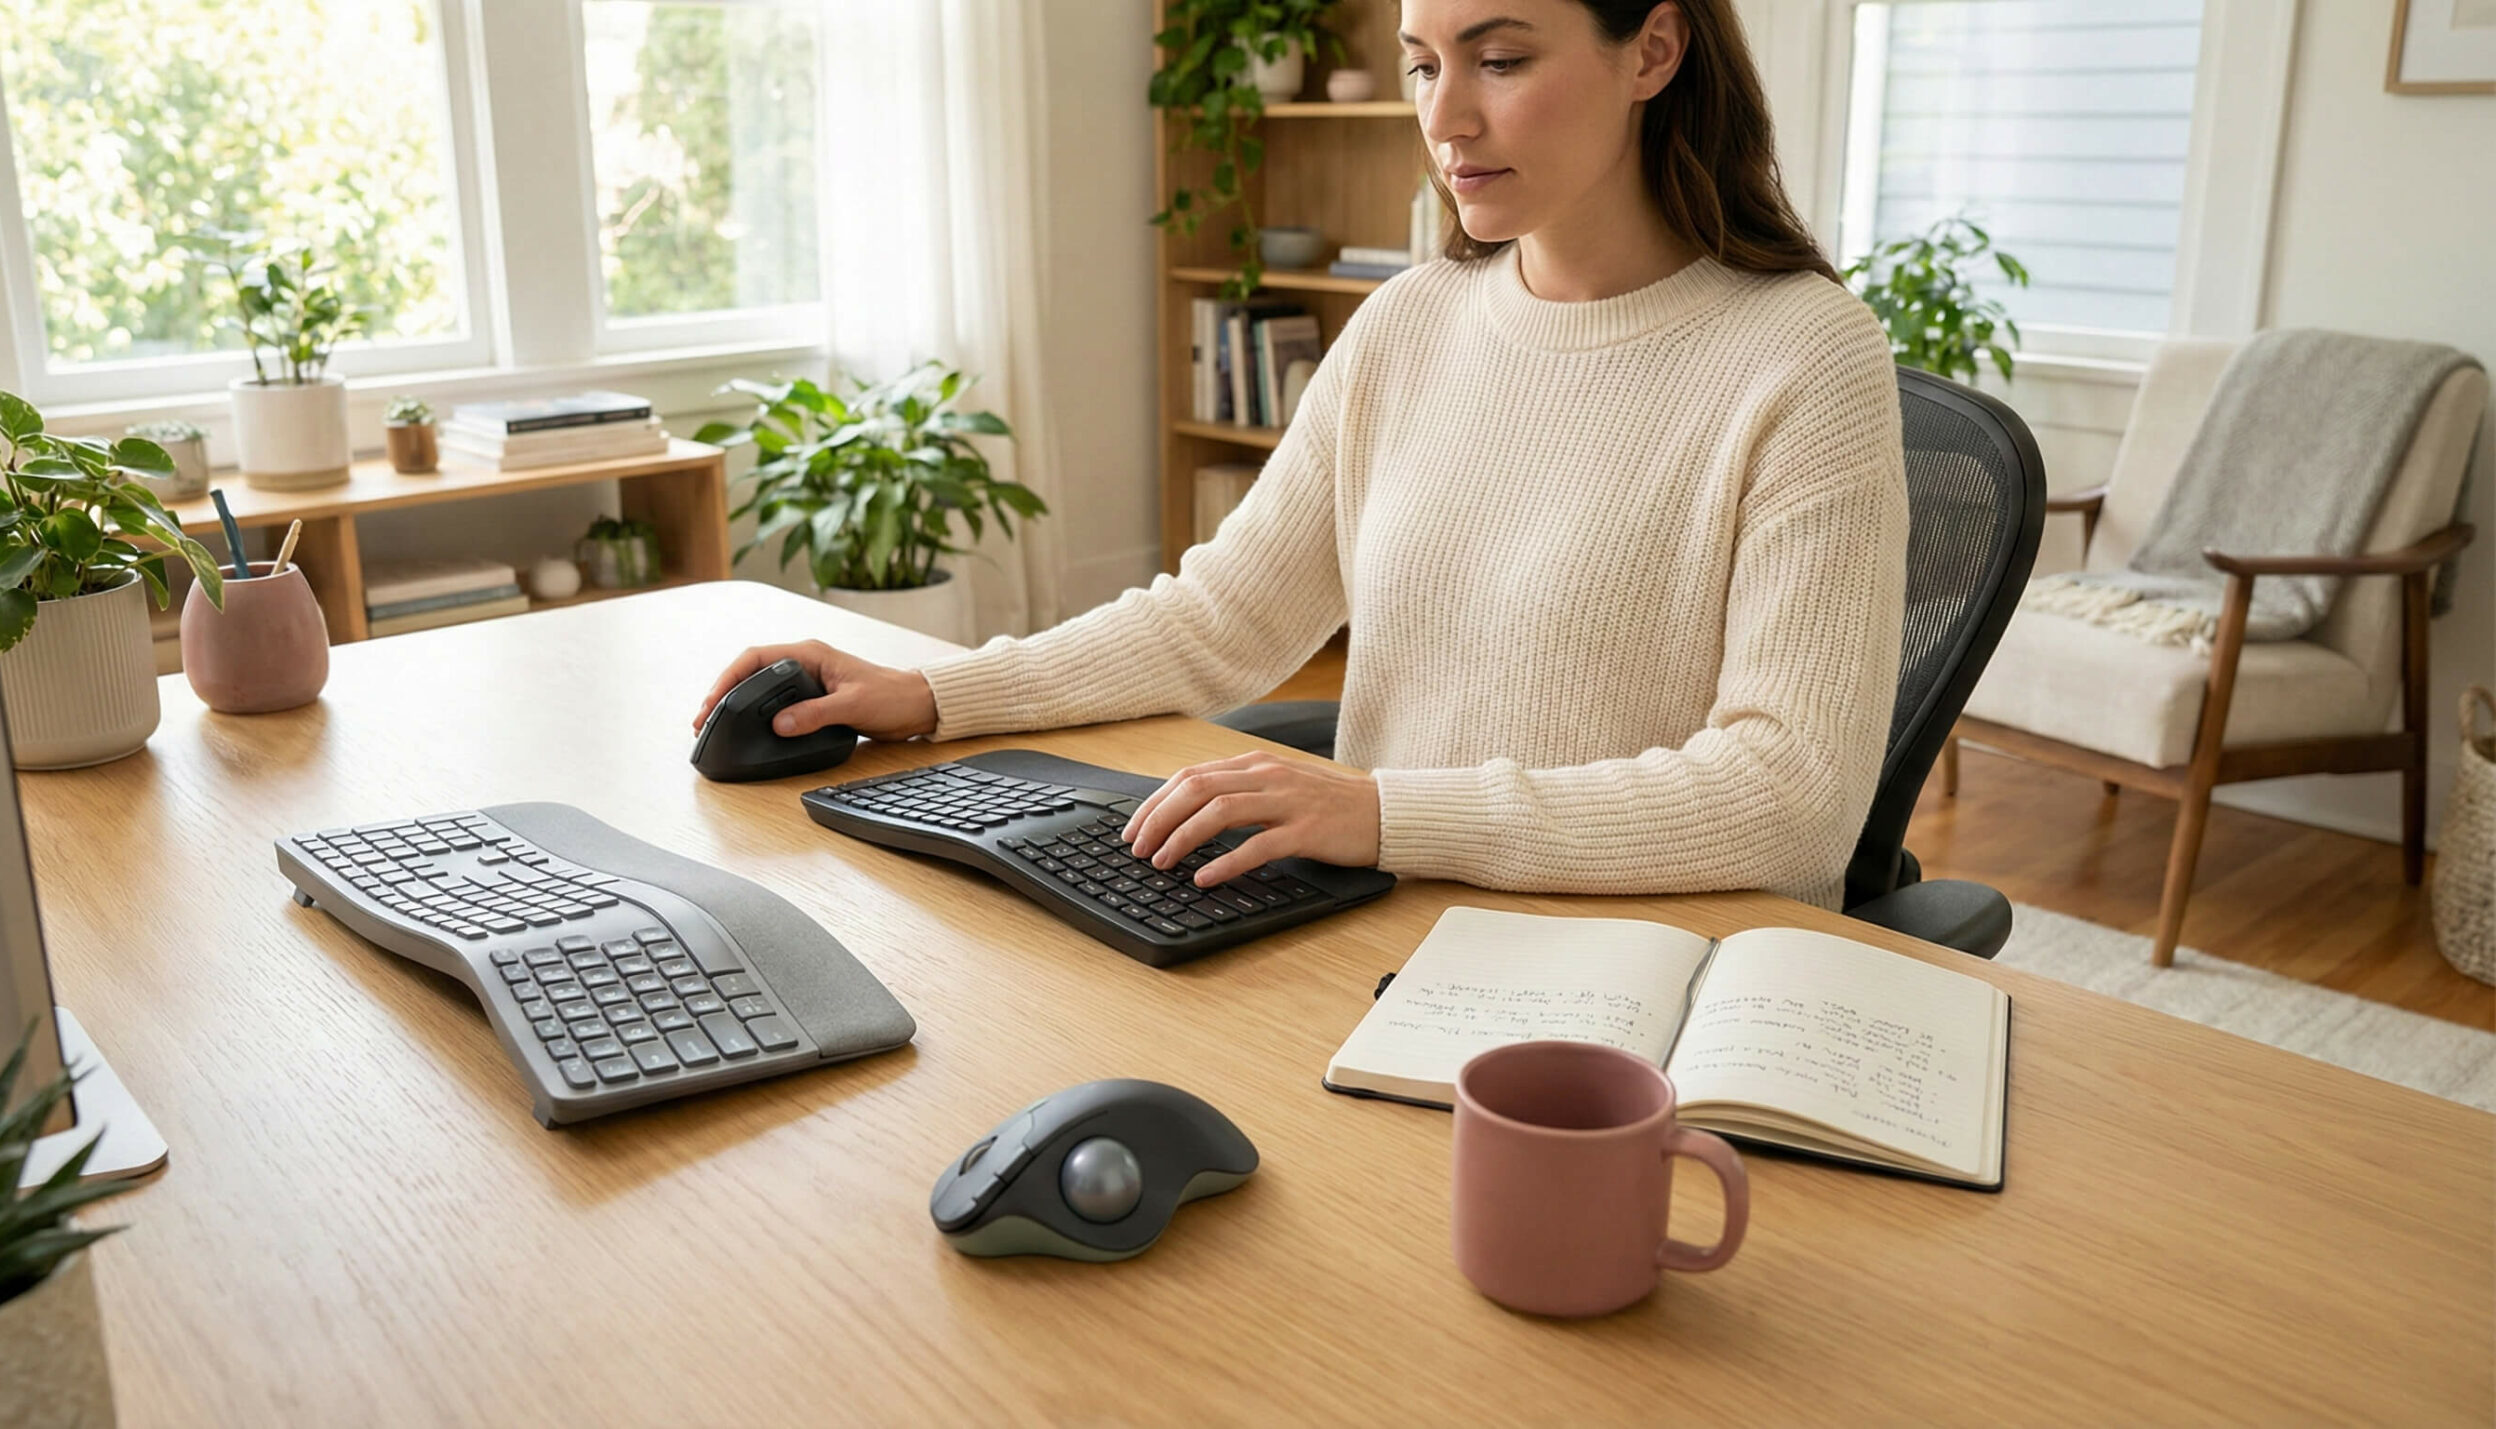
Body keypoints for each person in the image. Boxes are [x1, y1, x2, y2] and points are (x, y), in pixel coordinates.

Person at [694, 0, 1904, 910]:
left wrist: (1381, 812)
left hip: (1633, 974)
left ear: (1653, 49)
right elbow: (1218, 619)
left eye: (1501, 59)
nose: (1444, 117)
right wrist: (931, 695)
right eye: (1424, 65)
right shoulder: (1412, 321)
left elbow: (1786, 803)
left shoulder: (1806, 358)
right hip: (1381, 926)